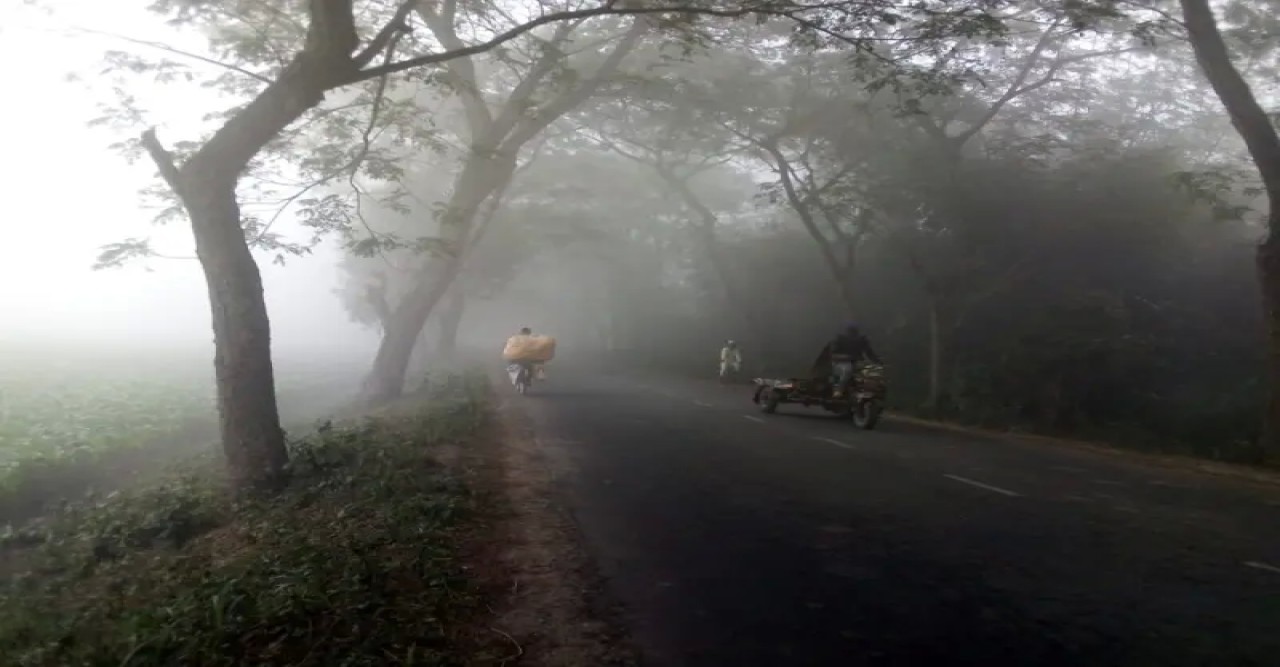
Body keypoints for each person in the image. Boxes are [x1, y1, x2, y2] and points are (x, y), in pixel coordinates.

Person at [812, 324, 881, 398]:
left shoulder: (861, 340)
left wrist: (878, 363)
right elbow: (832, 354)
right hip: (841, 363)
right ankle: (837, 390)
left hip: (855, 364)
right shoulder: (840, 340)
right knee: (843, 370)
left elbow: (869, 353)